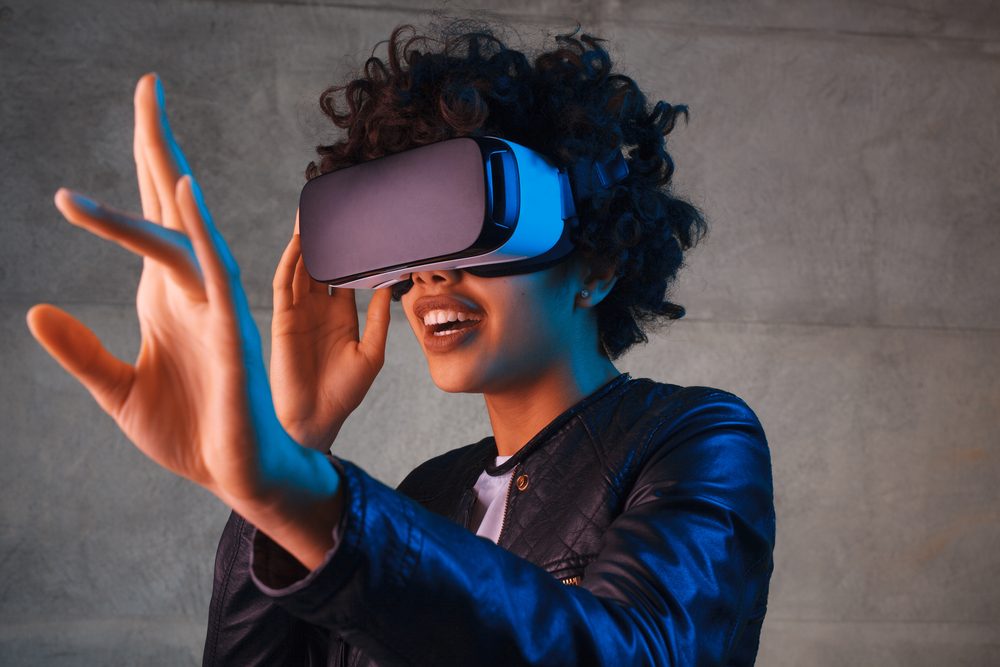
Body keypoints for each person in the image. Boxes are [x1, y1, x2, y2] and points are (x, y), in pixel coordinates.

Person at [26, 17, 775, 667]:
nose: (431, 274)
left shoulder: (696, 439)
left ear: (595, 268)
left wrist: (296, 488)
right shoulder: (426, 494)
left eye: (472, 223)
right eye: (410, 242)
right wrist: (296, 441)